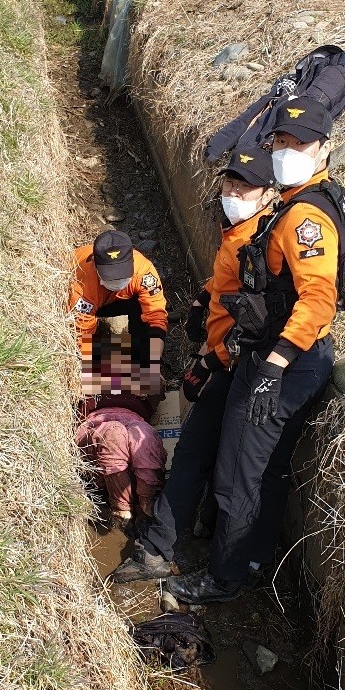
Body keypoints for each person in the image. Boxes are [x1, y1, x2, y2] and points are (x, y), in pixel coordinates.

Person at [123, 97, 345, 601]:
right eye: (282, 142)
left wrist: (276, 362)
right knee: (235, 461)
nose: (288, 151)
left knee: (241, 472)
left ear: (324, 148)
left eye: (300, 143)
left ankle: (229, 576)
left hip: (282, 361)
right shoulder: (298, 204)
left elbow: (315, 297)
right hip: (260, 354)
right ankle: (207, 552)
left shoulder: (303, 216)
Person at [113, 148, 278, 583]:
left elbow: (257, 319)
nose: (233, 192)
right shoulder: (236, 233)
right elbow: (227, 283)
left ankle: (218, 563)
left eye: (245, 187)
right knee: (197, 452)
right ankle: (165, 545)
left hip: (248, 367)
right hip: (225, 361)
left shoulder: (265, 242)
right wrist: (205, 296)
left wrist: (210, 361)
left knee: (224, 463)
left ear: (268, 194)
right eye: (229, 183)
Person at [75, 333, 167, 533]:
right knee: (114, 434)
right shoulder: (87, 381)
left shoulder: (143, 383)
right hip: (98, 423)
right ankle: (121, 510)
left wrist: (141, 380)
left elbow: (159, 387)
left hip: (134, 420)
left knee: (144, 437)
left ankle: (146, 506)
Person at [69, 230, 168, 387]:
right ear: (95, 264)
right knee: (88, 362)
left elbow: (156, 318)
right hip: (94, 300)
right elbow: (81, 340)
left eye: (122, 275)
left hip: (121, 299)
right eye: (110, 276)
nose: (117, 281)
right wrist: (120, 378)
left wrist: (153, 363)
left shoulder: (144, 272)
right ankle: (122, 358)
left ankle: (142, 360)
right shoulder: (80, 286)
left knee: (145, 321)